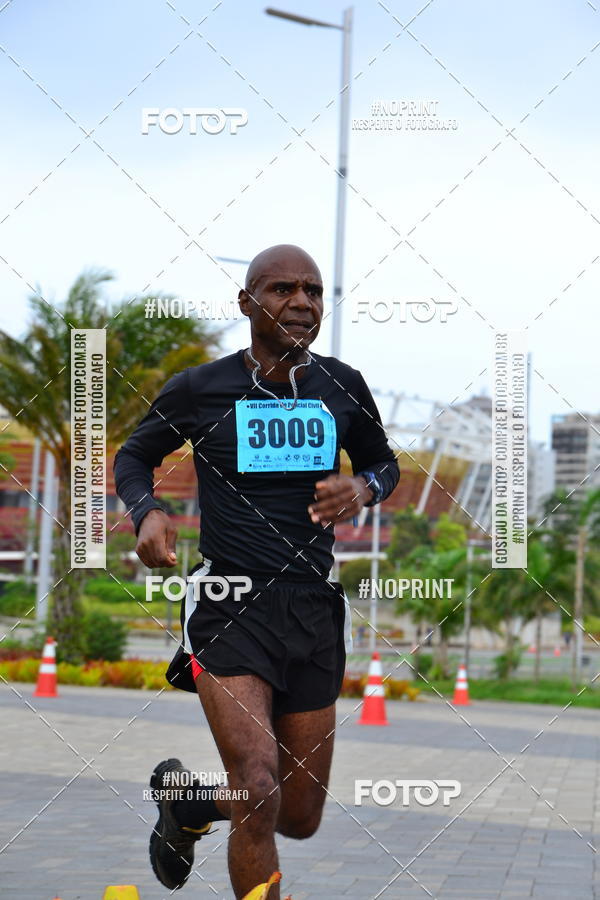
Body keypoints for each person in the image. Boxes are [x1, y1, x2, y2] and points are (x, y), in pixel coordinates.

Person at [114, 244, 399, 899]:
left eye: (313, 291)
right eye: (282, 289)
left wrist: (363, 489)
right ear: (247, 303)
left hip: (312, 609)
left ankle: (189, 803)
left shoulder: (343, 385)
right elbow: (134, 455)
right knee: (258, 783)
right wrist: (146, 511)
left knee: (297, 814)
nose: (301, 302)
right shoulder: (200, 388)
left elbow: (385, 464)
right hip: (230, 602)